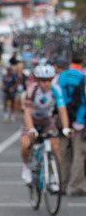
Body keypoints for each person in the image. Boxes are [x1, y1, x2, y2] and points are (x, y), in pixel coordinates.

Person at [21, 63, 71, 187]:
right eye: (43, 80)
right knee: (26, 144)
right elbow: (27, 112)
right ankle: (27, 166)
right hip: (32, 119)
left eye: (49, 80)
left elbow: (62, 110)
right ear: (38, 80)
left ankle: (53, 176)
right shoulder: (32, 90)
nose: (47, 83)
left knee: (55, 146)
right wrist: (31, 128)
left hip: (47, 120)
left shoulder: (56, 90)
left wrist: (66, 127)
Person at [57, 51, 86, 196]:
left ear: (70, 60)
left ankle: (60, 184)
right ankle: (76, 186)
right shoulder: (82, 77)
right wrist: (79, 122)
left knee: (63, 152)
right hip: (78, 121)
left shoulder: (62, 76)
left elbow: (57, 97)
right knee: (79, 154)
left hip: (63, 119)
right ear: (83, 61)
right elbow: (84, 101)